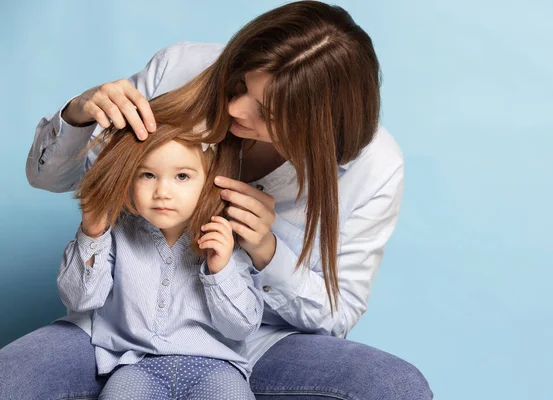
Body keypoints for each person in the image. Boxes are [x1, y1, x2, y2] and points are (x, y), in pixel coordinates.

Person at [1, 1, 433, 399]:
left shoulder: (374, 167)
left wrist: (265, 251)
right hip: (118, 332)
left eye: (266, 112)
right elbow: (52, 178)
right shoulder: (180, 70)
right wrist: (78, 113)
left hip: (251, 342)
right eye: (240, 84)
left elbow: (337, 315)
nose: (236, 108)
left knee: (396, 386)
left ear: (317, 127)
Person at [57, 113, 260, 399]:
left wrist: (221, 270)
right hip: (135, 365)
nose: (162, 192)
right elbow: (80, 299)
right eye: (148, 175)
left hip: (217, 367)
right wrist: (92, 233)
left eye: (182, 176)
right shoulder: (117, 231)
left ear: (208, 180)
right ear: (129, 178)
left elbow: (240, 328)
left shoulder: (223, 237)